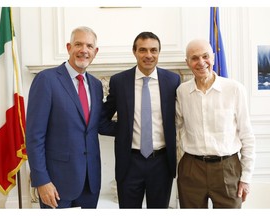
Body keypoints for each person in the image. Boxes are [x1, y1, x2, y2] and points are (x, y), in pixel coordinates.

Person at [26, 26, 114, 209]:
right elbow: (34, 136)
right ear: (68, 47)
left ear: (95, 52)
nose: (84, 50)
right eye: (78, 44)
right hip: (56, 185)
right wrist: (41, 181)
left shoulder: (97, 85)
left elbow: (97, 125)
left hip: (90, 184)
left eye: (89, 46)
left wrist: (139, 129)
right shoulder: (46, 80)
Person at [102, 31, 181, 208]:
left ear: (159, 52)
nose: (148, 55)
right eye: (143, 50)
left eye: (154, 50)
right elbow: (102, 119)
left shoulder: (172, 81)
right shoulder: (119, 81)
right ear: (134, 52)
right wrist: (123, 131)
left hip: (161, 162)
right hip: (129, 162)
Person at [176, 39, 256, 208]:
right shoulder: (182, 91)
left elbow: (247, 136)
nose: (201, 62)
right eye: (194, 58)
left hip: (228, 168)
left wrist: (246, 178)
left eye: (205, 56)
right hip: (191, 169)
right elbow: (175, 127)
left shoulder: (234, 89)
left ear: (213, 57)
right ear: (187, 62)